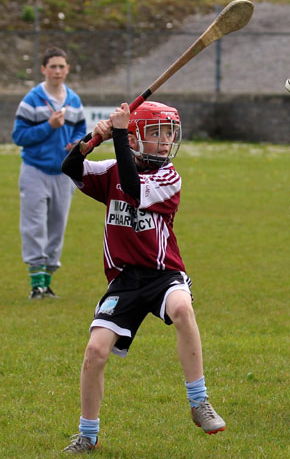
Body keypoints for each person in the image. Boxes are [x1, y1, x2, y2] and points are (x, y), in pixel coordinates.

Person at [60, 100, 225, 453]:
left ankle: (199, 402)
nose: (165, 141)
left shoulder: (169, 177)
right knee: (94, 351)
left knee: (182, 309)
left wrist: (119, 133)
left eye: (169, 133)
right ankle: (88, 435)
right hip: (124, 279)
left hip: (164, 273)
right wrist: (96, 137)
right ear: (136, 137)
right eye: (156, 133)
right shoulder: (112, 169)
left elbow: (135, 190)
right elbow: (70, 165)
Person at [12, 46, 86, 299]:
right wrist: (49, 126)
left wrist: (76, 143)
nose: (57, 71)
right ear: (43, 69)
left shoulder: (74, 100)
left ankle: (47, 281)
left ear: (67, 69)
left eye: (61, 66)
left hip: (63, 174)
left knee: (57, 227)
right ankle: (37, 285)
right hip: (35, 170)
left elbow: (80, 131)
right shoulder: (32, 99)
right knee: (34, 226)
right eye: (52, 66)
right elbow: (19, 136)